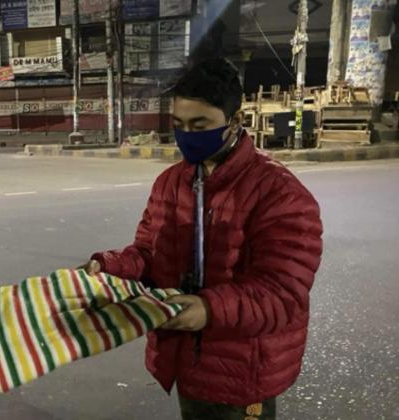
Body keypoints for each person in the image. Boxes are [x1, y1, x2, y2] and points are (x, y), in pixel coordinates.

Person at [80, 59, 323, 419]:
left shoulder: (279, 193)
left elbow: (282, 293)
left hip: (243, 373)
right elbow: (148, 253)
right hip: (185, 363)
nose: (187, 136)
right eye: (178, 125)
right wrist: (109, 267)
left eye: (199, 126)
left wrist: (207, 310)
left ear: (235, 121)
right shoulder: (170, 183)